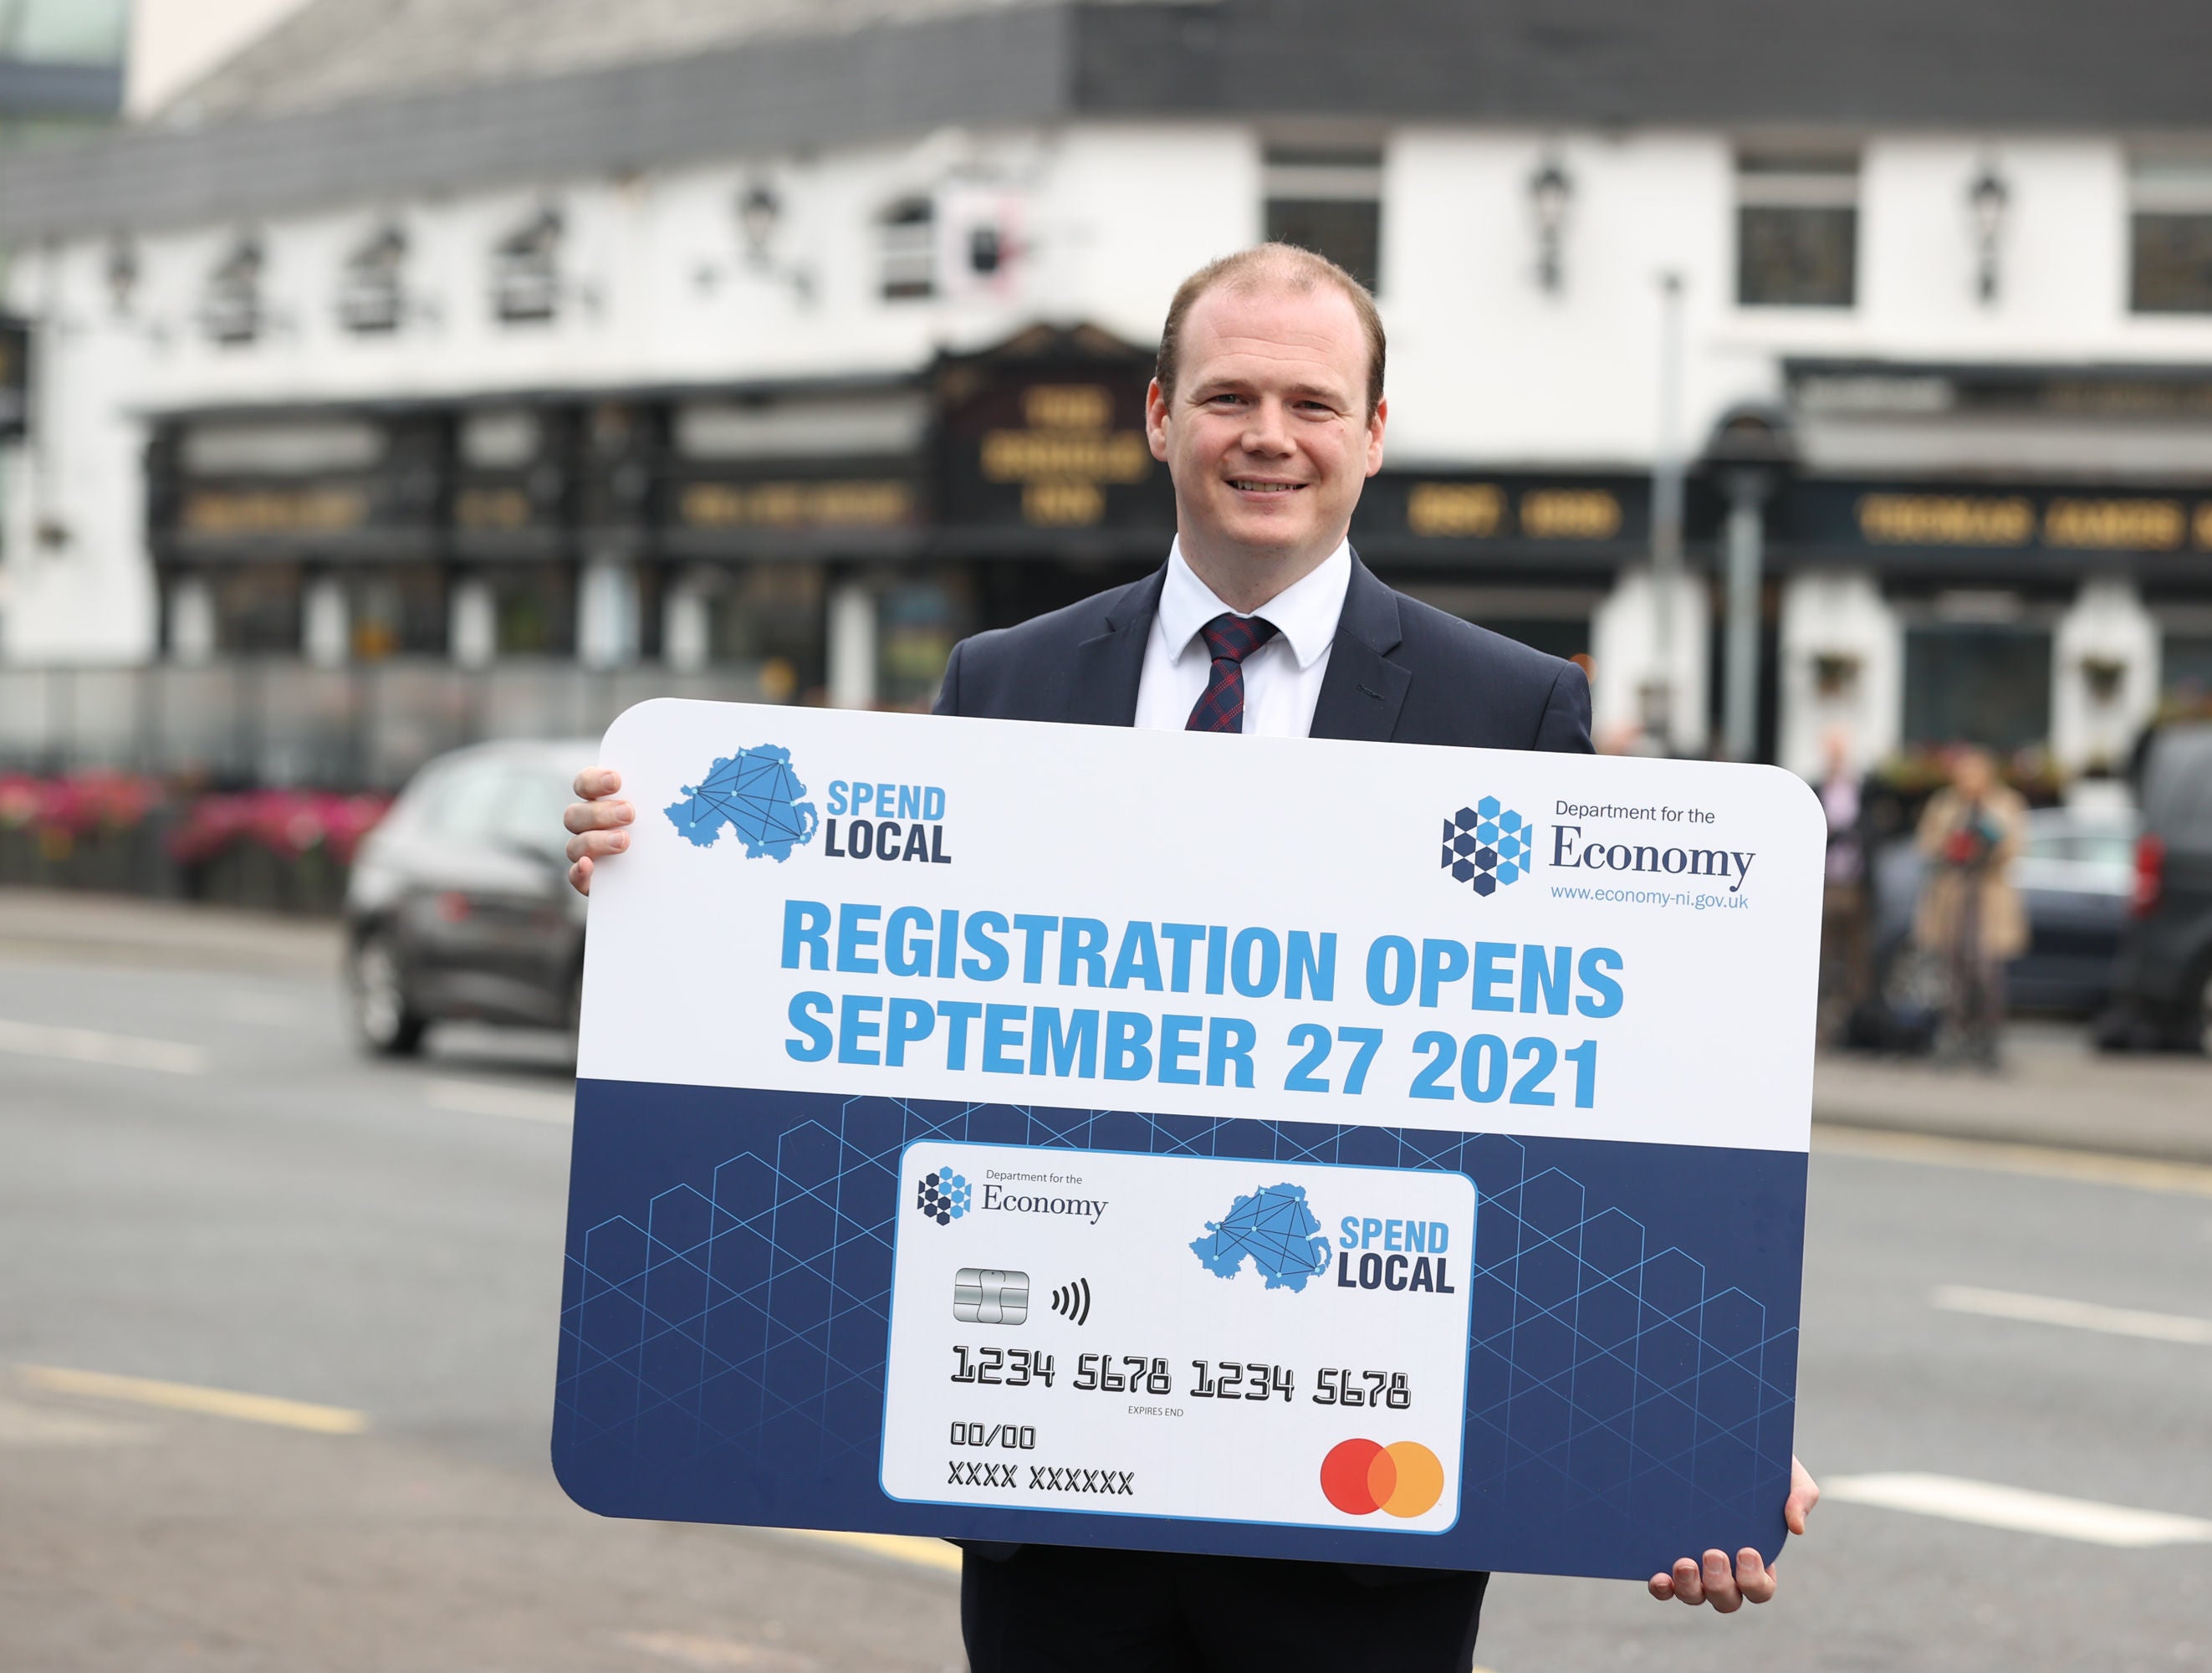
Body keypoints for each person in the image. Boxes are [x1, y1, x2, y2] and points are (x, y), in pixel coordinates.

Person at [563, 243, 1817, 1670]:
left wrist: (1697, 1428)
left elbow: (1592, 1098)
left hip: (1359, 1546)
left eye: (1312, 402)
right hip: (1055, 1511)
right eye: (1230, 398)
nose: (1269, 437)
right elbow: (871, 1017)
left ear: (1375, 435)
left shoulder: (1510, 712)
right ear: (1160, 418)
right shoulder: (1006, 686)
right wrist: (660, 876)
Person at [1913, 744, 2030, 1070]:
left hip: (1989, 896)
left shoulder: (2006, 803)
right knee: (1953, 972)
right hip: (1954, 895)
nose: (1969, 781)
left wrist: (1987, 840)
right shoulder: (1946, 804)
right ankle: (1956, 1035)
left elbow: (2015, 846)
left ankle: (1988, 1039)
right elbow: (1926, 843)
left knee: (1987, 972)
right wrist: (1951, 842)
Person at [1815, 729, 1868, 1041]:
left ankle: (1850, 1026)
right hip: (1824, 883)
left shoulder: (1861, 789)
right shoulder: (1815, 787)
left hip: (1854, 883)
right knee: (1821, 955)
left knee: (1855, 959)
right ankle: (1820, 1024)